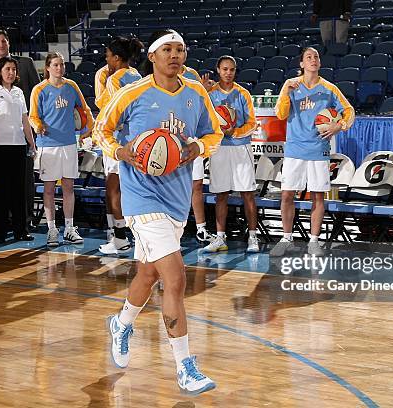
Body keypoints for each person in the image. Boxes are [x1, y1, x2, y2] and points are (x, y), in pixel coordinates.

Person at [93, 29, 222, 394]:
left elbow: (215, 133)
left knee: (148, 275)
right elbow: (101, 129)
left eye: (180, 49)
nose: (175, 55)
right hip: (141, 198)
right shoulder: (131, 92)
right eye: (167, 49)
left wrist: (196, 147)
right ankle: (184, 365)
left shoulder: (196, 92)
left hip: (176, 198)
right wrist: (120, 152)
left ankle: (121, 323)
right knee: (176, 277)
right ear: (152, 56)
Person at [272, 46, 354, 256]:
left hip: (318, 149)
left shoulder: (329, 88)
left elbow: (349, 110)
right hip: (294, 149)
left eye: (316, 56)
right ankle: (286, 238)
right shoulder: (291, 85)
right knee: (287, 195)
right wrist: (286, 92)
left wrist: (340, 125)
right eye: (309, 57)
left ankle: (314, 241)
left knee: (317, 196)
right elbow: (280, 114)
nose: (313, 59)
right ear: (301, 64)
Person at [29, 52, 94, 247]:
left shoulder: (71, 86)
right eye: (56, 65)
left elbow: (84, 110)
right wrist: (38, 126)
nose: (60, 68)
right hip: (47, 146)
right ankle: (51, 229)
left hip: (68, 144)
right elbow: (33, 116)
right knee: (48, 189)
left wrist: (87, 128)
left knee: (68, 187)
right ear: (47, 68)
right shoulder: (39, 90)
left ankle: (69, 228)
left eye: (62, 64)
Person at [0, 29, 40, 230]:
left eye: (3, 41)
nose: (0, 45)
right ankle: (3, 226)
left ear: (8, 43)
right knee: (3, 185)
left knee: (25, 181)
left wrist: (33, 135)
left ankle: (25, 223)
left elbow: (38, 96)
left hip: (22, 136)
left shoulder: (26, 64)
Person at [202, 56, 259, 253]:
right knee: (221, 195)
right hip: (219, 149)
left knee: (248, 194)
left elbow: (252, 123)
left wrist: (233, 132)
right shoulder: (209, 94)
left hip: (240, 148)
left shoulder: (243, 93)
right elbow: (202, 119)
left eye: (232, 69)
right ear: (218, 70)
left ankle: (253, 237)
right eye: (225, 69)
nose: (228, 72)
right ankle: (220, 238)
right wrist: (203, 91)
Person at [94, 36, 143, 255]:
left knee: (114, 189)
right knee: (134, 189)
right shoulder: (137, 75)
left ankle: (121, 239)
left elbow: (114, 112)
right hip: (139, 139)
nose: (106, 59)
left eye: (107, 55)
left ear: (116, 58)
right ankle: (138, 236)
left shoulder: (114, 79)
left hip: (119, 141)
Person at [178, 63, 215, 243]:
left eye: (180, 49)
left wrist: (205, 91)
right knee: (175, 185)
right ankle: (176, 225)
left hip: (192, 139)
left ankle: (201, 229)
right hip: (170, 140)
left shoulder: (192, 74)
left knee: (197, 185)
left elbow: (200, 106)